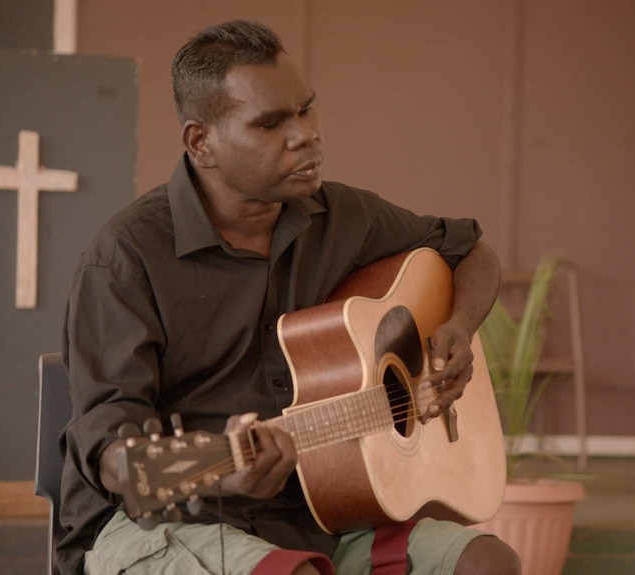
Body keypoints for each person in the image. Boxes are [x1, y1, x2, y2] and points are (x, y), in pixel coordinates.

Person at [58, 19, 519, 575]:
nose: (306, 135)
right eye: (272, 123)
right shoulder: (125, 258)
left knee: (487, 563)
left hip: (321, 514)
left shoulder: (342, 216)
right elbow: (113, 452)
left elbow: (471, 251)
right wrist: (223, 472)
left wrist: (460, 329)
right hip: (171, 521)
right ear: (201, 143)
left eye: (305, 109)